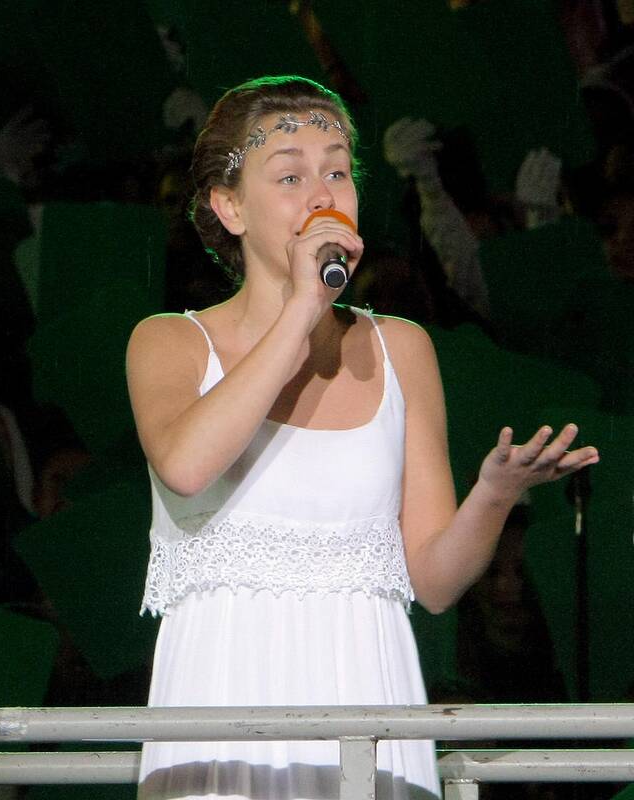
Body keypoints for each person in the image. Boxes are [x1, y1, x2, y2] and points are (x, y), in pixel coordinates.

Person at [125, 75, 600, 800]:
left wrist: (494, 494)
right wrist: (302, 307)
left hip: (368, 689)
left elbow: (434, 582)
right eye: (290, 175)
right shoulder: (170, 342)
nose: (322, 194)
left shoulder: (401, 348)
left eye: (337, 172)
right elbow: (186, 466)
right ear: (229, 206)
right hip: (224, 689)